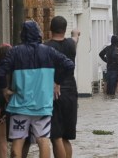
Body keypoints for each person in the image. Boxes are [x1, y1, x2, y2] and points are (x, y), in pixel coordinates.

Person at [0, 20, 74, 158]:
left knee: (18, 141)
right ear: (38, 33)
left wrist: (4, 89)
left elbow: (0, 71)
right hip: (42, 105)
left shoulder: (15, 52)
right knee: (43, 140)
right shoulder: (49, 51)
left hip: (19, 105)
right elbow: (69, 65)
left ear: (23, 35)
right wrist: (57, 81)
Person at [44, 16, 79, 158]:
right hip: (71, 91)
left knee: (56, 136)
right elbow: (75, 38)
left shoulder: (46, 47)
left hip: (54, 93)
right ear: (64, 30)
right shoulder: (71, 45)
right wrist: (75, 33)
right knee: (66, 137)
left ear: (50, 29)